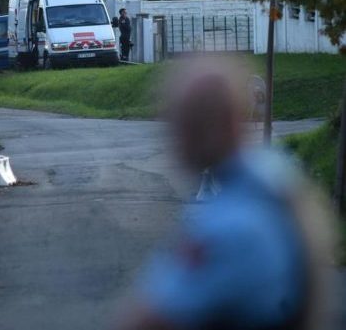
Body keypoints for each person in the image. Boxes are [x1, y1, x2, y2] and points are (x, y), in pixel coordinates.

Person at [117, 58, 334, 330]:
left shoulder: (227, 227)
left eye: (181, 121)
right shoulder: (272, 176)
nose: (172, 135)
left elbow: (150, 318)